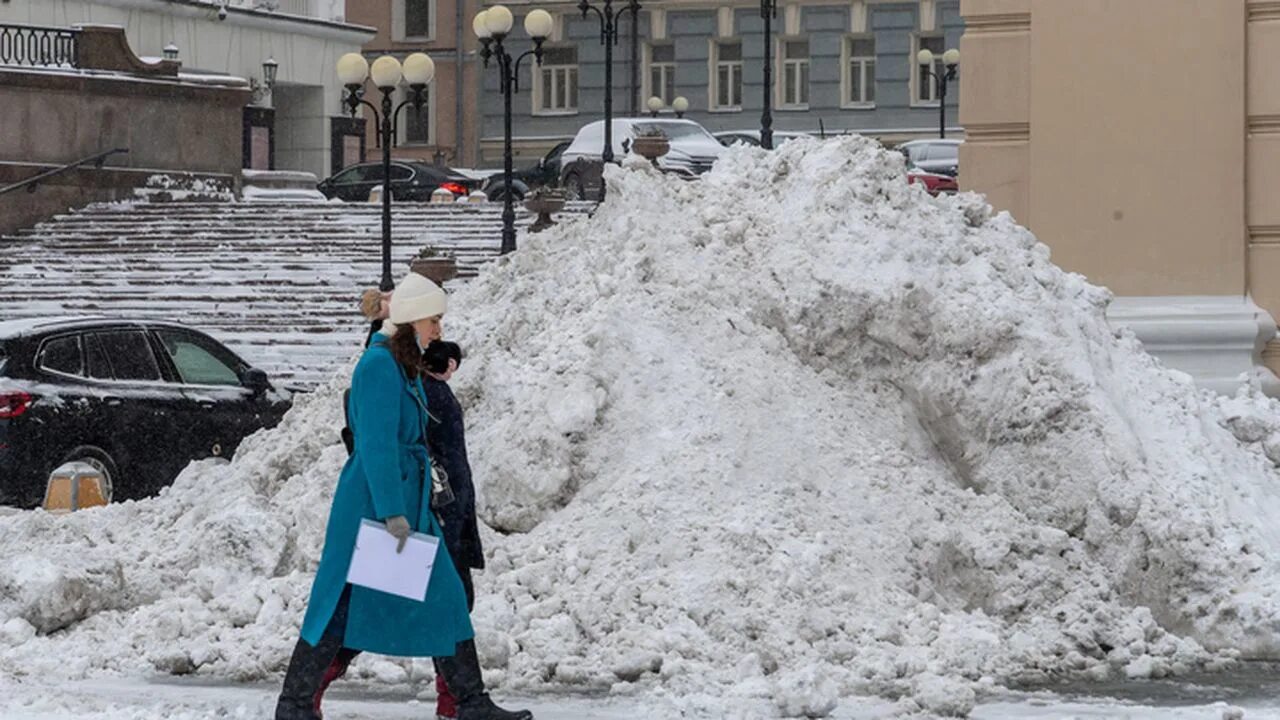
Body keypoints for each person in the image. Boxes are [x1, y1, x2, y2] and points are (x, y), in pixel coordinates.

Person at [276, 272, 532, 720]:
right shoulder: (377, 366)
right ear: (413, 319)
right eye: (433, 320)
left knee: (446, 600)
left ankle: (471, 704)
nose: (438, 329)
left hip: (404, 503)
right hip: (376, 507)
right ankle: (294, 705)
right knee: (338, 608)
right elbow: (376, 444)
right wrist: (393, 513)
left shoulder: (397, 362)